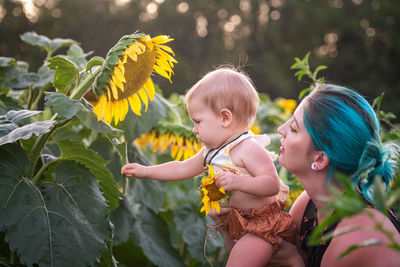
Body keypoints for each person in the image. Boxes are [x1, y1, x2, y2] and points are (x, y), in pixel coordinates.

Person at [121, 66, 297, 266]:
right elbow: (181, 167)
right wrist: (146, 171)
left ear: (225, 118)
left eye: (197, 122)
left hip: (262, 225)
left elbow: (271, 184)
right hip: (238, 223)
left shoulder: (248, 148)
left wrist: (238, 182)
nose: (194, 130)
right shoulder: (211, 152)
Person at [269, 83, 400, 266]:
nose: (281, 130)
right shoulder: (308, 204)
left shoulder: (356, 234)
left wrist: (293, 261)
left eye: (294, 128)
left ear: (320, 158)